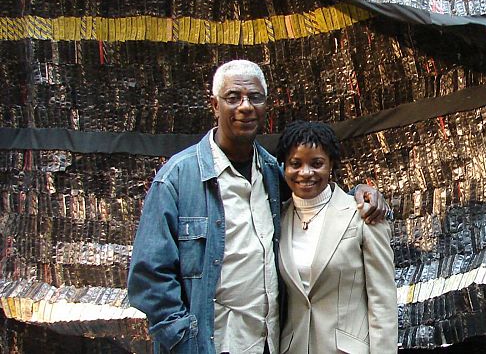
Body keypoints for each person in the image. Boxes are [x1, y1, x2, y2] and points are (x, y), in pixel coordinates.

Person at [127, 60, 388, 354]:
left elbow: (313, 196)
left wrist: (358, 194)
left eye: (255, 97)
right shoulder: (177, 179)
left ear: (266, 106)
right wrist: (184, 340)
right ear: (214, 105)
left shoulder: (270, 173)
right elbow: (148, 277)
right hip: (213, 344)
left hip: (268, 341)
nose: (245, 106)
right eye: (233, 97)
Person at [275, 120, 397, 354]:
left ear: (331, 165)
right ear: (284, 168)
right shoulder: (277, 219)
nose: (306, 173)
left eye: (317, 163)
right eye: (295, 164)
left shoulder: (363, 214)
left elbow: (383, 301)